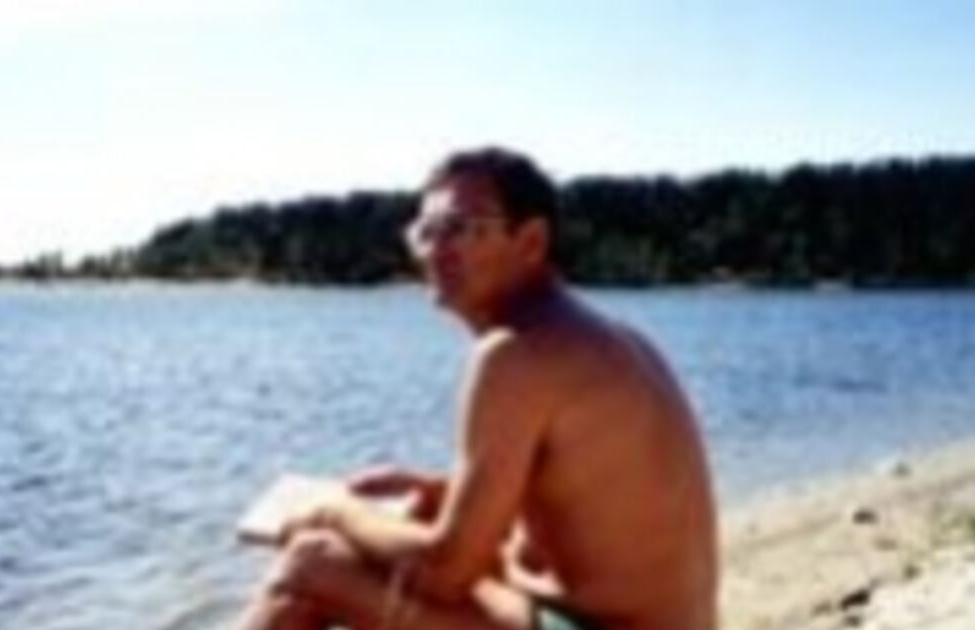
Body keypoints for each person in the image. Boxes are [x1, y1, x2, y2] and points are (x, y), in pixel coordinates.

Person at [238, 147, 718, 630]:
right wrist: (444, 493)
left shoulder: (516, 354)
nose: (437, 249)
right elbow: (590, 515)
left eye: (461, 228)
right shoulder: (606, 337)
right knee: (392, 538)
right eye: (426, 231)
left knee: (310, 564)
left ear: (531, 240)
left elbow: (445, 573)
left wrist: (335, 512)